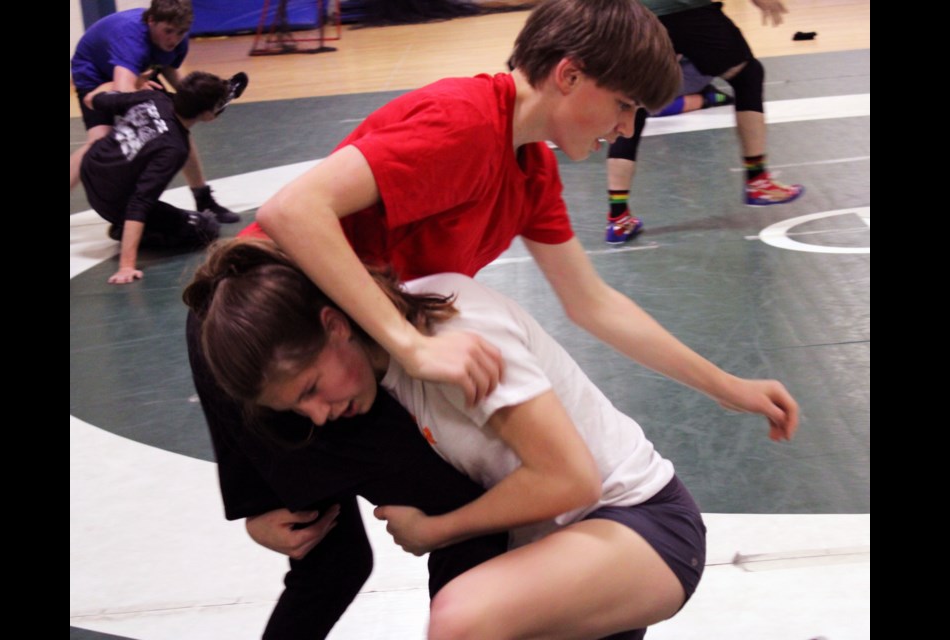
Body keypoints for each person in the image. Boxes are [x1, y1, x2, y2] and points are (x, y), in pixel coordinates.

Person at [192, 0, 797, 636]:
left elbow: (593, 302)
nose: (624, 128)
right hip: (260, 329)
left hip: (337, 347)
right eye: (622, 105)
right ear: (569, 75)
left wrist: (728, 387)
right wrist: (260, 488)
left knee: (413, 540)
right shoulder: (464, 122)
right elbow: (291, 211)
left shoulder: (530, 167)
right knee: (403, 532)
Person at [184, 237, 797, 639]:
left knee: (459, 621)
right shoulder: (385, 368)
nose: (319, 415)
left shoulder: (456, 335)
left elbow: (571, 480)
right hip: (556, 547)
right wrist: (258, 505)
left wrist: (434, 532)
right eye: (298, 408)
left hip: (641, 527)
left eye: (313, 387)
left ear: (335, 323)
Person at [605, 0, 805, 245]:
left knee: (634, 105)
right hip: (684, 10)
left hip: (634, 17)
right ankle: (757, 179)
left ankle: (618, 217)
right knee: (747, 74)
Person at [70, 0, 239, 222]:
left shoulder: (176, 37)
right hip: (95, 75)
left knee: (180, 123)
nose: (174, 39)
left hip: (134, 72)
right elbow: (122, 94)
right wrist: (143, 93)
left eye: (180, 33)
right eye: (168, 31)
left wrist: (193, 100)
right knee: (98, 143)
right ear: (151, 21)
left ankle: (203, 197)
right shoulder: (131, 40)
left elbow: (167, 66)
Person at [80, 71, 245, 284]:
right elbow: (140, 201)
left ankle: (128, 227)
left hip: (92, 169)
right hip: (111, 202)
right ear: (208, 116)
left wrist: (127, 82)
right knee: (206, 227)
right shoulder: (174, 148)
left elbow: (91, 100)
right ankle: (132, 231)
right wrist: (126, 266)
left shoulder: (153, 98)